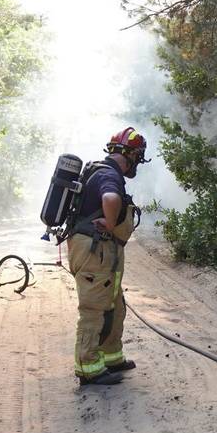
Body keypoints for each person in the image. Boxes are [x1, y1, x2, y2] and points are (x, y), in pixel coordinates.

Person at [67, 127, 147, 386]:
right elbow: (111, 198)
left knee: (114, 303)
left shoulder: (100, 170)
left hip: (102, 250)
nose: (138, 163)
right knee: (94, 308)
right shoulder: (108, 175)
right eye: (138, 156)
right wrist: (111, 223)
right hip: (94, 249)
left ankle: (112, 357)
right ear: (131, 154)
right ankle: (88, 368)